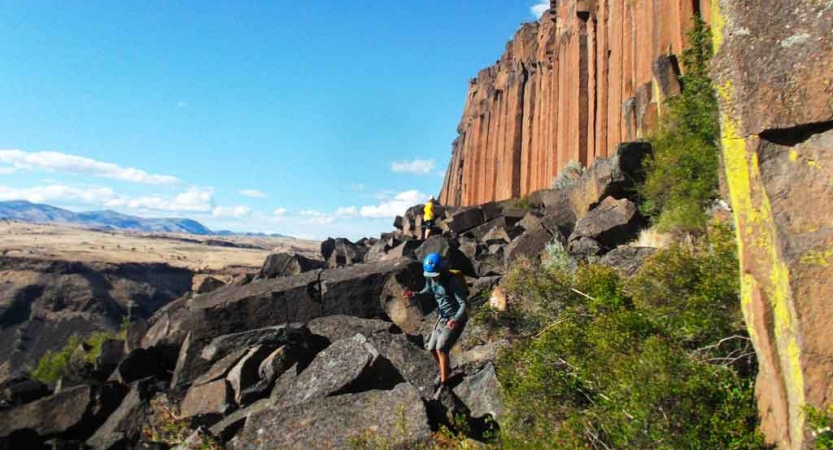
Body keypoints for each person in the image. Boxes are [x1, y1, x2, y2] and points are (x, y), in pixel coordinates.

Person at [405, 252, 467, 398]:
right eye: (430, 275)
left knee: (441, 348)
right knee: (431, 348)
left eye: (435, 274)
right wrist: (415, 294)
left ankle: (445, 383)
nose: (433, 277)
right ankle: (447, 369)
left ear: (442, 270)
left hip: (454, 318)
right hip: (442, 318)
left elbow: (463, 304)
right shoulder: (431, 278)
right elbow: (428, 291)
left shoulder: (452, 282)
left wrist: (456, 319)